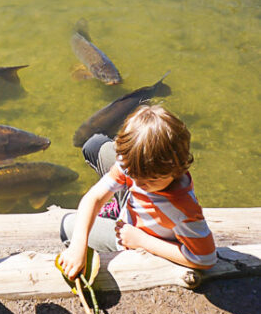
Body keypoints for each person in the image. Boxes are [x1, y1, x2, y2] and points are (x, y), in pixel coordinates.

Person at [58, 105, 216, 279]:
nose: (138, 184)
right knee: (93, 145)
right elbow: (94, 197)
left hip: (129, 235)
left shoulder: (182, 210)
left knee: (67, 225)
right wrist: (78, 245)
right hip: (133, 207)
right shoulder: (137, 167)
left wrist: (142, 241)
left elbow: (205, 258)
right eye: (133, 175)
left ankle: (117, 212)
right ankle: (119, 206)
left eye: (150, 180)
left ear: (177, 168)